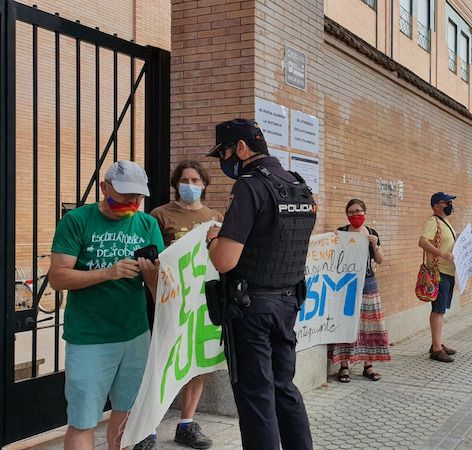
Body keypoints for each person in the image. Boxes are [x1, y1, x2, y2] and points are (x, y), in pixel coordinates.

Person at [205, 119, 314, 450]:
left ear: (241, 147)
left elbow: (225, 260)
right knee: (284, 387)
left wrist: (213, 240)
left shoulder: (250, 186)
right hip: (288, 302)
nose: (225, 160)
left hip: (252, 309)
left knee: (256, 397)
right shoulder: (298, 184)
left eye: (224, 152)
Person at [48, 161, 163, 450]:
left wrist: (152, 277)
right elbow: (57, 278)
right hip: (90, 337)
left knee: (127, 415)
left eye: (137, 197)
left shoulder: (147, 224)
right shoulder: (77, 220)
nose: (132, 202)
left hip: (135, 334)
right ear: (104, 187)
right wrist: (107, 273)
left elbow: (161, 289)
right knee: (83, 420)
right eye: (125, 195)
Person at [133, 161, 222, 450]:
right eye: (185, 179)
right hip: (168, 301)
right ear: (176, 184)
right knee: (161, 361)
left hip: (201, 302)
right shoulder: (159, 215)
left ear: (204, 184)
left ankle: (187, 423)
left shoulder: (214, 217)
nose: (191, 184)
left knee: (197, 361)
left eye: (196, 179)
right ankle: (148, 429)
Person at [331, 199, 391, 382]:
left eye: (358, 211)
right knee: (347, 323)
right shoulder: (341, 232)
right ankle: (344, 365)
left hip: (368, 283)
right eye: (350, 212)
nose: (355, 215)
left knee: (370, 324)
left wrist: (375, 244)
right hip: (347, 284)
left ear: (365, 212)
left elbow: (380, 260)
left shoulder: (372, 233)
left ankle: (368, 365)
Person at [419, 192, 458, 363]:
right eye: (446, 202)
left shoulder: (445, 221)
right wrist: (442, 254)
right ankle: (436, 349)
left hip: (448, 272)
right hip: (439, 272)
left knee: (441, 310)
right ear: (436, 205)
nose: (450, 204)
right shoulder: (432, 221)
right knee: (438, 310)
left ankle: (437, 343)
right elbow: (423, 242)